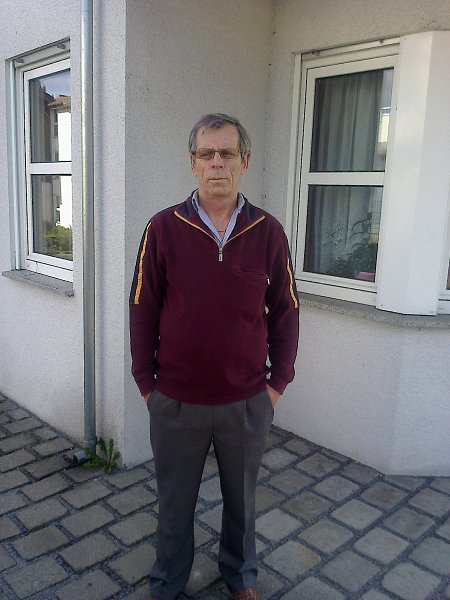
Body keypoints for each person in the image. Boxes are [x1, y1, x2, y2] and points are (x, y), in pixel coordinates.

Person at [129, 113, 299, 600]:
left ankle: (240, 577)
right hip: (176, 400)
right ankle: (168, 581)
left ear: (244, 161)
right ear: (193, 163)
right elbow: (142, 307)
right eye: (207, 153)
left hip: (245, 402)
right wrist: (147, 384)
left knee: (242, 503)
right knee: (173, 503)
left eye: (227, 153)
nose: (217, 162)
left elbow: (286, 309)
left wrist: (276, 385)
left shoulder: (268, 232)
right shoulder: (163, 228)